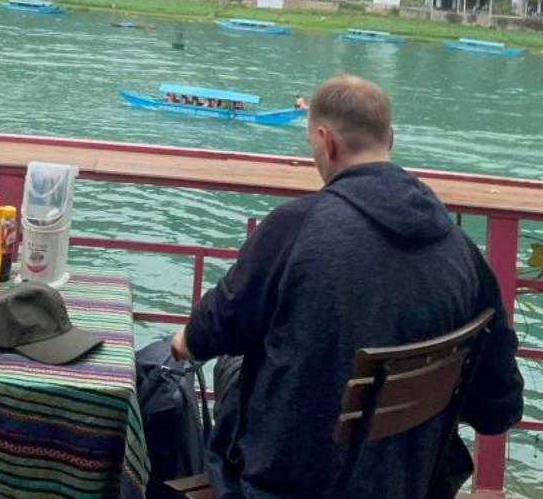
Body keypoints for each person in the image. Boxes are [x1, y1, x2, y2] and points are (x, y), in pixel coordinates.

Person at [171, 75, 522, 498]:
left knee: (231, 364)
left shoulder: (295, 226)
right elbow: (499, 408)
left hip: (284, 485)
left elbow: (206, 335)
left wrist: (180, 343)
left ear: (325, 141)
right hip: (410, 485)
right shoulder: (461, 249)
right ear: (389, 138)